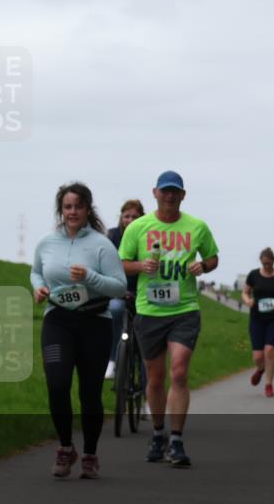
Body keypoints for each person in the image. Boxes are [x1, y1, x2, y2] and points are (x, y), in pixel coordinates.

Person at [119, 170, 219, 468]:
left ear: (183, 195)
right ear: (155, 193)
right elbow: (122, 263)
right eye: (165, 191)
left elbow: (213, 257)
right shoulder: (138, 227)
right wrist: (141, 265)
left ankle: (176, 440)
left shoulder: (197, 227)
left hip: (184, 310)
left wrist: (204, 266)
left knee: (178, 372)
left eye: (175, 191)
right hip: (149, 311)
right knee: (156, 377)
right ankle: (158, 434)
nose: (170, 196)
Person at [32, 183, 126, 479]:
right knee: (57, 385)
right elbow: (36, 271)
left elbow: (120, 286)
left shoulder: (101, 244)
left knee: (89, 393)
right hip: (58, 321)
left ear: (88, 210)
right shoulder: (47, 243)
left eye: (78, 207)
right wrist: (39, 288)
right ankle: (65, 447)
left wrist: (90, 276)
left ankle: (89, 453)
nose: (72, 212)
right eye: (67, 207)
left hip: (94, 322)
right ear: (61, 210)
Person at [242, 249, 274, 397]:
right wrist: (247, 301)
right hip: (257, 319)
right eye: (264, 264)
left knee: (269, 350)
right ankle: (261, 369)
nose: (267, 266)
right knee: (258, 356)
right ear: (260, 261)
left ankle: (269, 385)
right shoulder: (254, 275)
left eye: (269, 264)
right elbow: (245, 292)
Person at [105, 199, 145, 380]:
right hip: (119, 290)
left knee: (145, 336)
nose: (130, 220)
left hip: (142, 292)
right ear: (121, 218)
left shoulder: (146, 237)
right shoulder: (112, 236)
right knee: (114, 309)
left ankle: (148, 394)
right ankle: (112, 359)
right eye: (126, 216)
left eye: (134, 217)